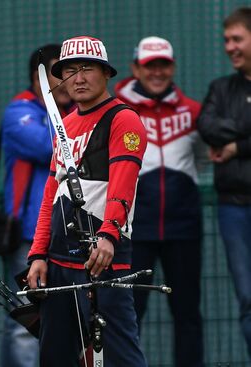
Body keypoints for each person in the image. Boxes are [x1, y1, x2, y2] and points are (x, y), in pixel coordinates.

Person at [26, 36, 148, 367]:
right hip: (60, 261)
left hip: (102, 257)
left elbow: (123, 184)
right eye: (69, 71)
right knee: (55, 357)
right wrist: (38, 253)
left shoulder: (124, 119)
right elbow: (51, 195)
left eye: (87, 68)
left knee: (120, 354)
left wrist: (109, 234)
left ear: (106, 73)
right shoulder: (65, 125)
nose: (78, 78)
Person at [114, 36, 204, 367]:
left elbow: (204, 156)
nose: (157, 72)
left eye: (163, 65)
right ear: (136, 67)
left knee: (188, 312)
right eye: (150, 65)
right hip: (134, 230)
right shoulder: (117, 110)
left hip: (184, 229)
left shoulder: (193, 111)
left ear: (173, 66)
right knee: (130, 313)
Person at [0, 43, 73, 367]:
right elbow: (53, 148)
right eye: (60, 73)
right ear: (38, 77)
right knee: (27, 318)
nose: (69, 80)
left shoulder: (73, 113)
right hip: (30, 233)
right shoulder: (20, 112)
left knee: (68, 317)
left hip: (69, 231)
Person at [197, 6, 251, 357]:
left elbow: (224, 130)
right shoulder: (220, 87)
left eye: (237, 39)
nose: (230, 46)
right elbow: (207, 125)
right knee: (248, 296)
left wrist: (237, 145)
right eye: (226, 40)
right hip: (234, 209)